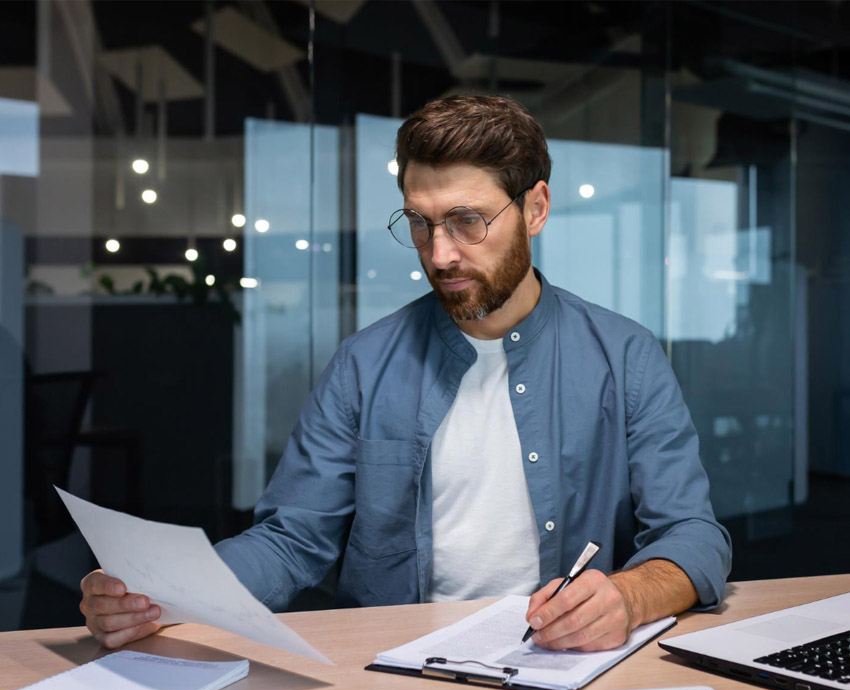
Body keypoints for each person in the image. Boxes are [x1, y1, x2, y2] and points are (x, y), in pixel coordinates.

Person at [80, 95, 731, 652]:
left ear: (535, 209)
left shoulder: (625, 355)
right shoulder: (365, 364)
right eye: (420, 224)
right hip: (398, 671)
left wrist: (627, 596)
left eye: (468, 222)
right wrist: (157, 596)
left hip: (561, 667)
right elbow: (290, 540)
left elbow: (694, 537)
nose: (441, 254)